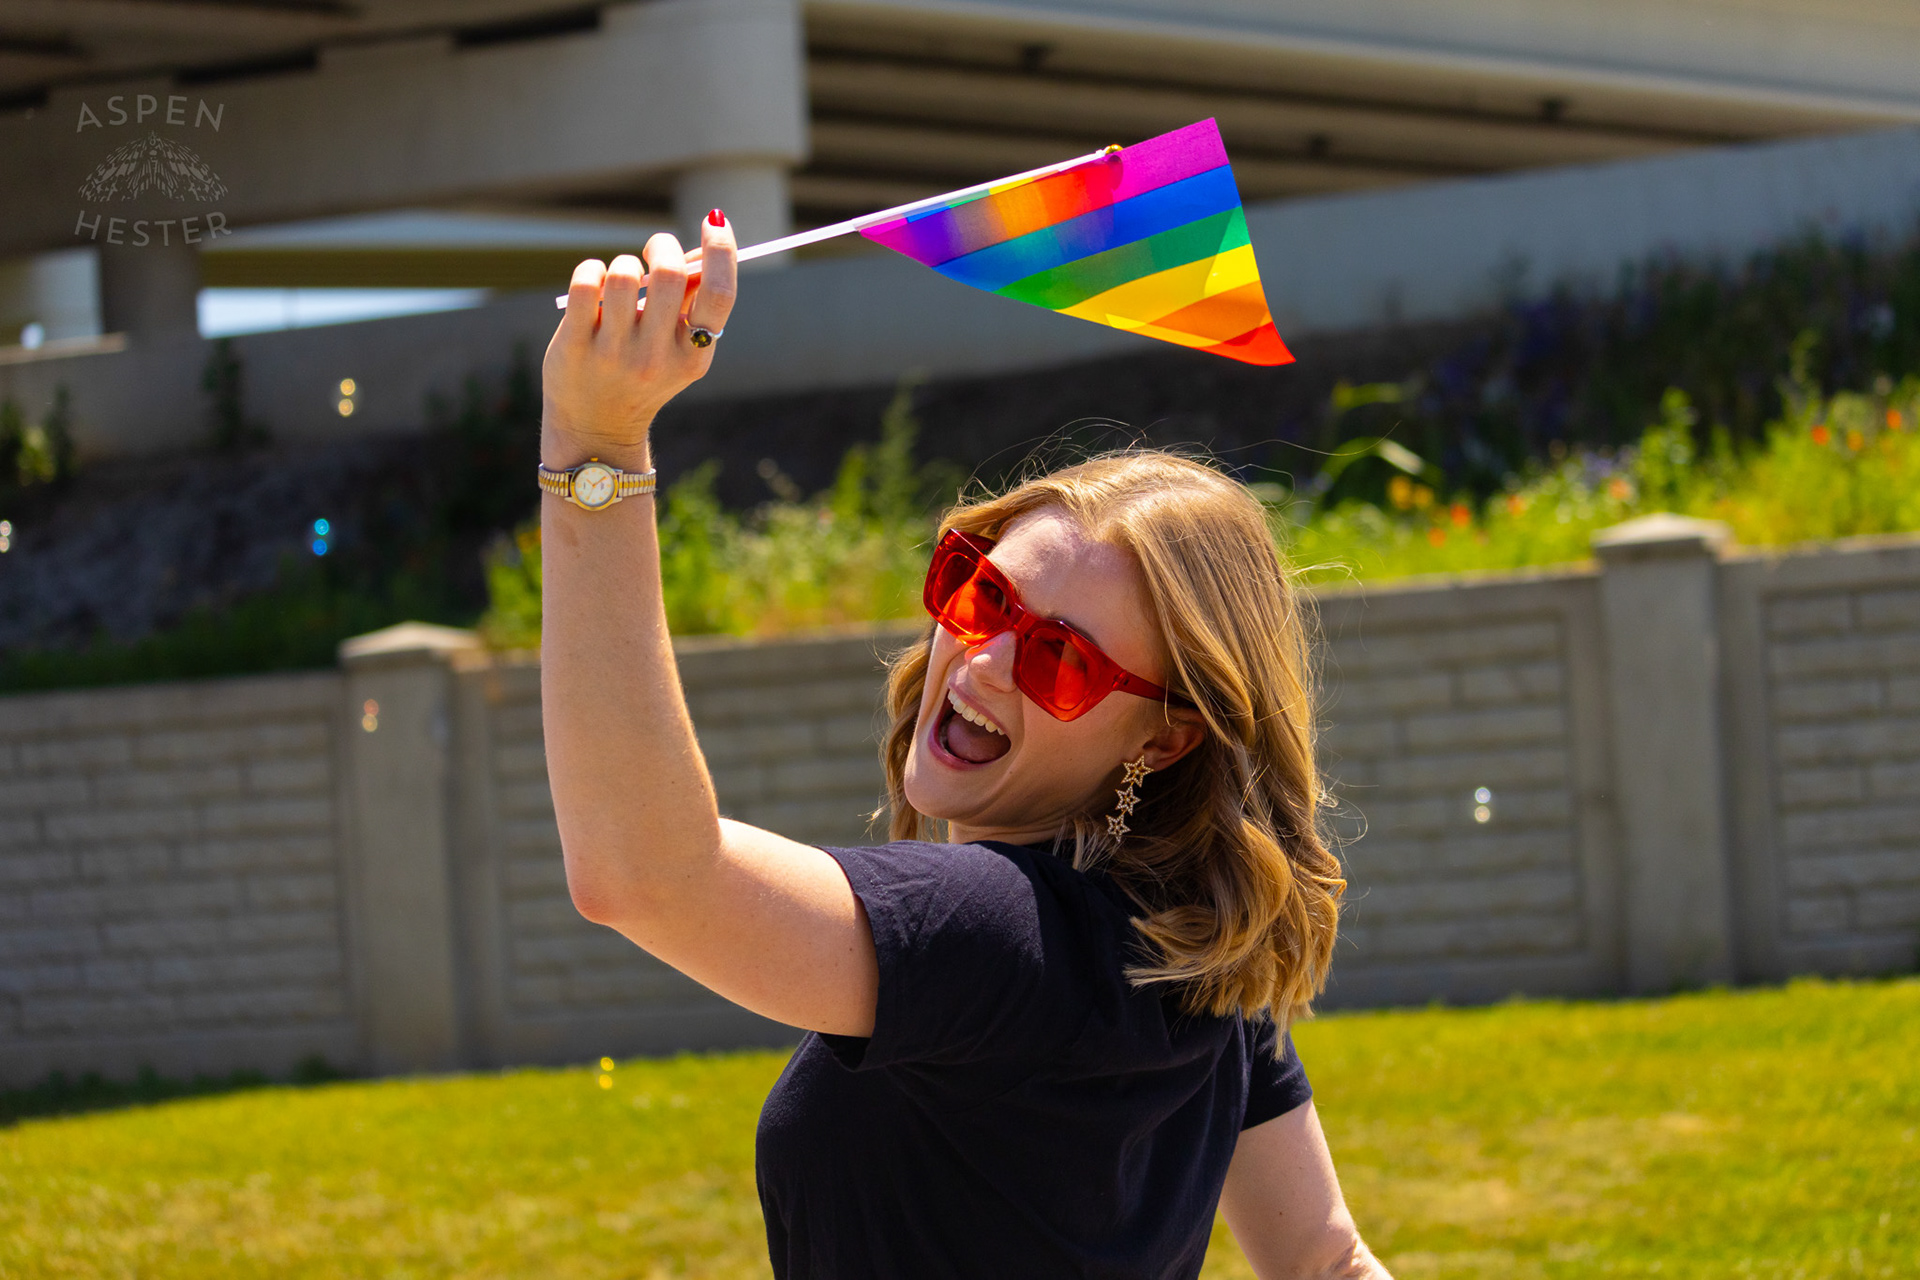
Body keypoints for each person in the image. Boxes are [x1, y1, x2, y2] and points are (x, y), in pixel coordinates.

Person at [540, 212, 1392, 1279]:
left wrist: (596, 446)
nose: (982, 659)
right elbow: (1323, 1256)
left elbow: (645, 873)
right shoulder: (1188, 957)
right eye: (981, 592)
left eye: (1061, 660)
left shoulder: (1001, 932)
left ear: (1166, 738)